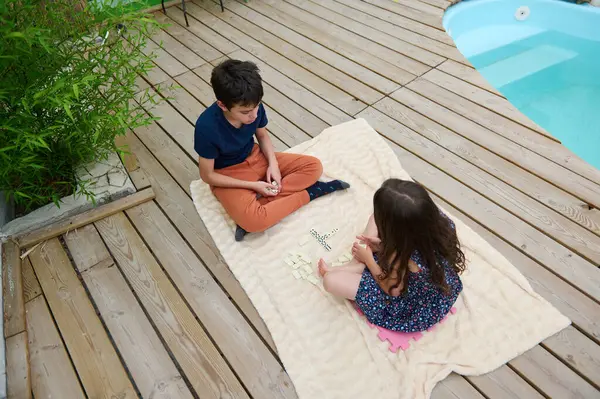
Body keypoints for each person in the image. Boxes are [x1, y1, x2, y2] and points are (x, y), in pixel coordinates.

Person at [195, 59, 350, 241]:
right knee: (254, 222)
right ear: (222, 105)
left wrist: (273, 165)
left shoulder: (253, 106)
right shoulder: (206, 127)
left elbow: (262, 136)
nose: (253, 115)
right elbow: (208, 176)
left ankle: (260, 203)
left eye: (257, 106)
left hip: (255, 156)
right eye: (245, 113)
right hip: (228, 174)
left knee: (314, 167)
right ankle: (311, 192)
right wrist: (252, 186)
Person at [318, 179, 465, 332]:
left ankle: (359, 265)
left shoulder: (407, 261)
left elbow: (392, 289)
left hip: (406, 298)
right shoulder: (443, 222)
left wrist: (369, 260)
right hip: (419, 268)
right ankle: (355, 266)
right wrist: (381, 247)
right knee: (374, 217)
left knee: (330, 280)